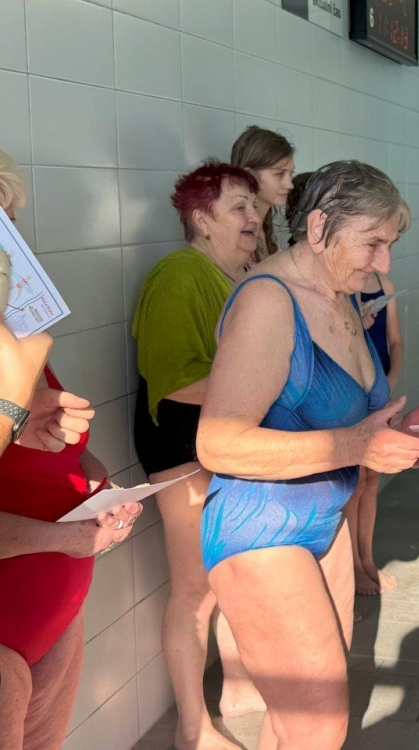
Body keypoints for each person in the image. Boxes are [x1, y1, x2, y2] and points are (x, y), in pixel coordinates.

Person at [196, 161, 419, 750]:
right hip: (261, 529)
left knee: (297, 721)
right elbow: (216, 443)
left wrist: (396, 439)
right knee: (319, 723)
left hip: (323, 521)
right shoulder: (269, 301)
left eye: (390, 244)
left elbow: (341, 424)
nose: (384, 262)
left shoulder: (337, 296)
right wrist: (359, 444)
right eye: (373, 243)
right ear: (317, 228)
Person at [1, 149, 143, 750]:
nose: (9, 251)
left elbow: (62, 455)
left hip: (53, 617)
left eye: (10, 225)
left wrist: (99, 489)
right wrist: (64, 538)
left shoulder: (19, 344)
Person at [132, 160, 262, 749]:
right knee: (195, 589)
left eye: (254, 206)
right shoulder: (180, 273)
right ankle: (192, 728)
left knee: (232, 574)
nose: (254, 217)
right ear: (202, 219)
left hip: (224, 442)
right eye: (239, 207)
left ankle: (238, 688)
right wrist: (271, 383)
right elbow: (175, 379)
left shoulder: (239, 277)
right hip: (182, 445)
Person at [345, 267, 404, 595]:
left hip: (379, 391)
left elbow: (396, 342)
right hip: (356, 390)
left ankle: (367, 560)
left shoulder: (385, 284)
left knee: (371, 481)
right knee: (355, 484)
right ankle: (352, 565)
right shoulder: (347, 284)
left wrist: (390, 381)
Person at [231, 125, 295, 264]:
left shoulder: (266, 231)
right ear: (249, 175)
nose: (290, 184)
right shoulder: (236, 234)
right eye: (280, 174)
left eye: (291, 173)